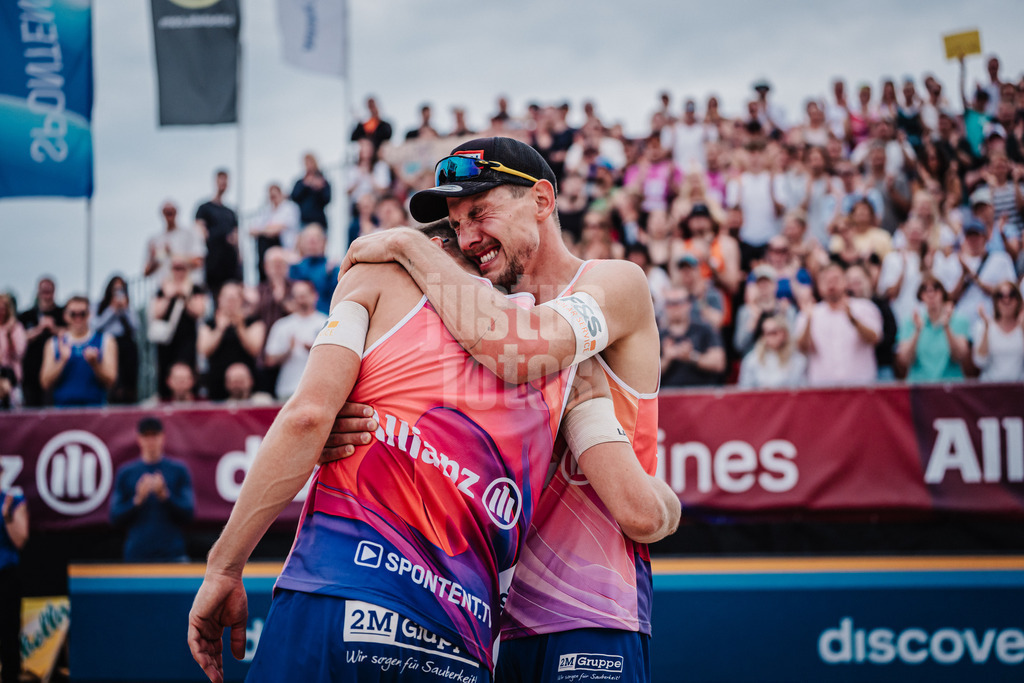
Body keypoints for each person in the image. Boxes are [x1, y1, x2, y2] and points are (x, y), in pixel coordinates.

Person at [187, 223, 677, 681]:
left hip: (339, 590)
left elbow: (307, 418)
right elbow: (638, 509)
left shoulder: (378, 279)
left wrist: (224, 567)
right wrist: (667, 500)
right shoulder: (566, 367)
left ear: (432, 251)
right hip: (458, 637)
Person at [339, 136, 679, 681]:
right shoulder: (471, 311)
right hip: (477, 625)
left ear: (542, 200)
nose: (466, 238)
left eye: (479, 213)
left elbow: (518, 349)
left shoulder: (614, 281)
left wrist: (407, 244)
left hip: (587, 616)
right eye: (455, 225)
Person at [110, 417, 194, 561]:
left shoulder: (178, 470)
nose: (150, 441)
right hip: (137, 555)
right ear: (139, 438)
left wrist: (165, 496)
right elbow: (114, 517)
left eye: (154, 435)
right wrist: (137, 500)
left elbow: (189, 513)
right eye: (146, 436)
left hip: (172, 555)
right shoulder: (126, 472)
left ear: (162, 437)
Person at [796, 261, 882, 386]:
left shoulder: (864, 308)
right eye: (825, 280)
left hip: (860, 386)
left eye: (835, 279)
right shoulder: (809, 313)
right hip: (822, 388)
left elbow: (874, 339)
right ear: (818, 285)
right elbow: (802, 348)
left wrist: (853, 320)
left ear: (845, 282)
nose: (831, 284)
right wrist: (809, 321)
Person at [39, 296, 117, 407]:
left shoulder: (105, 340)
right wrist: (62, 361)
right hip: (62, 410)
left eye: (82, 314)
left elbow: (111, 381)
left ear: (89, 314)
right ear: (65, 316)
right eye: (73, 314)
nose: (78, 318)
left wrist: (95, 364)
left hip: (95, 409)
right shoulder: (53, 343)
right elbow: (45, 383)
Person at [149, 256, 208, 401]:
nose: (179, 272)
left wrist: (185, 295)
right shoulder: (163, 289)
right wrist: (169, 295)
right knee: (165, 372)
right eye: (176, 268)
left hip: (188, 339)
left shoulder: (195, 288)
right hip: (167, 341)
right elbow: (156, 313)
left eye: (182, 268)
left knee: (188, 371)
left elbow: (199, 311)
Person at [197, 282, 265, 402]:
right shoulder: (208, 324)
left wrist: (240, 326)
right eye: (227, 298)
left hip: (246, 386)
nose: (230, 302)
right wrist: (220, 329)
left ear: (241, 300)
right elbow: (204, 351)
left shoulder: (254, 322)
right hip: (217, 384)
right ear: (219, 300)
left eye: (234, 298)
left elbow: (255, 349)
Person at [895, 276, 970, 382]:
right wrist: (917, 331)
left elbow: (960, 356)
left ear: (943, 293)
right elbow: (904, 360)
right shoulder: (910, 321)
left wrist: (947, 327)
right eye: (924, 289)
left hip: (950, 387)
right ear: (921, 296)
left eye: (936, 288)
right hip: (920, 387)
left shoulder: (958, 320)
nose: (931, 294)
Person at [262, 280, 327, 399]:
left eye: (304, 295)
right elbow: (269, 360)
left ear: (314, 296)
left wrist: (316, 350)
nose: (301, 300)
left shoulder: (326, 323)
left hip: (318, 390)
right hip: (288, 389)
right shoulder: (282, 325)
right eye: (297, 296)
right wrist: (287, 351)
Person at [659, 287, 726, 387]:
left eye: (679, 303)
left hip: (702, 392)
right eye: (670, 303)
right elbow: (647, 374)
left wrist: (692, 356)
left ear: (688, 304)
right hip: (667, 393)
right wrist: (667, 359)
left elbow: (719, 363)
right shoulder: (658, 335)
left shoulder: (704, 330)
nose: (675, 308)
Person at [0, 459, 28, 683]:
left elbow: (20, 540)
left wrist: (7, 516)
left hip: (5, 574)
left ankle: (11, 676)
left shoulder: (13, 500)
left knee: (9, 631)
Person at [93, 275, 140, 404]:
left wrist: (124, 310)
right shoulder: (100, 306)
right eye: (115, 289)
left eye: (121, 289)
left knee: (128, 379)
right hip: (108, 344)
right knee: (113, 380)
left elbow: (136, 327)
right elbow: (96, 326)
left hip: (127, 345)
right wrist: (112, 310)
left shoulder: (128, 307)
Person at [195, 169, 241, 298]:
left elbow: (236, 238)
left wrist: (239, 261)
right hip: (213, 263)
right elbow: (200, 233)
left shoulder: (231, 212)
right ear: (215, 181)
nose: (223, 183)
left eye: (226, 180)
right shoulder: (204, 208)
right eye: (221, 179)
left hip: (230, 264)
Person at [17, 277, 63, 407]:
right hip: (31, 372)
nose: (46, 294)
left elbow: (71, 333)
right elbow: (19, 338)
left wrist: (54, 329)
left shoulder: (63, 313)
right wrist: (39, 329)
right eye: (44, 290)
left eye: (49, 290)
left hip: (56, 371)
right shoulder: (26, 315)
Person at [971, 282, 1024, 382]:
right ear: (995, 301)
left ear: (1018, 299)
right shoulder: (982, 325)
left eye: (1012, 294)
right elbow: (980, 362)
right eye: (1000, 296)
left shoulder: (1022, 326)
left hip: (1019, 387)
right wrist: (987, 328)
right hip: (991, 386)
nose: (1006, 300)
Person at [737, 313, 807, 388]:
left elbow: (802, 388)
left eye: (774, 332)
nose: (769, 336)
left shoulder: (798, 360)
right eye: (766, 333)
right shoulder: (751, 360)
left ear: (784, 333)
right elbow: (744, 388)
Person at [144, 201, 206, 284]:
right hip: (164, 287)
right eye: (166, 211)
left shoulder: (190, 233)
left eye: (171, 211)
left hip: (189, 286)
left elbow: (198, 262)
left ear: (176, 212)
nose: (169, 214)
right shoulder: (154, 240)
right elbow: (146, 272)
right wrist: (154, 259)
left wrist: (172, 255)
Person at [249, 183, 300, 281]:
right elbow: (251, 230)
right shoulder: (266, 210)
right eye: (271, 196)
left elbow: (277, 230)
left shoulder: (289, 208)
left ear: (281, 194)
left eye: (274, 196)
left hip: (285, 248)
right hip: (267, 249)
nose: (273, 199)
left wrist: (262, 229)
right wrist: (267, 229)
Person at [289, 153, 332, 233]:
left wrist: (319, 189)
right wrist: (305, 185)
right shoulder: (300, 182)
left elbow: (327, 199)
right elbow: (294, 196)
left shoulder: (322, 181)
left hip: (319, 221)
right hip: (303, 221)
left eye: (310, 162)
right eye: (306, 163)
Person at [0, 294, 27, 409]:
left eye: (3, 308)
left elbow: (19, 353)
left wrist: (9, 336)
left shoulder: (16, 328)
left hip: (12, 379)